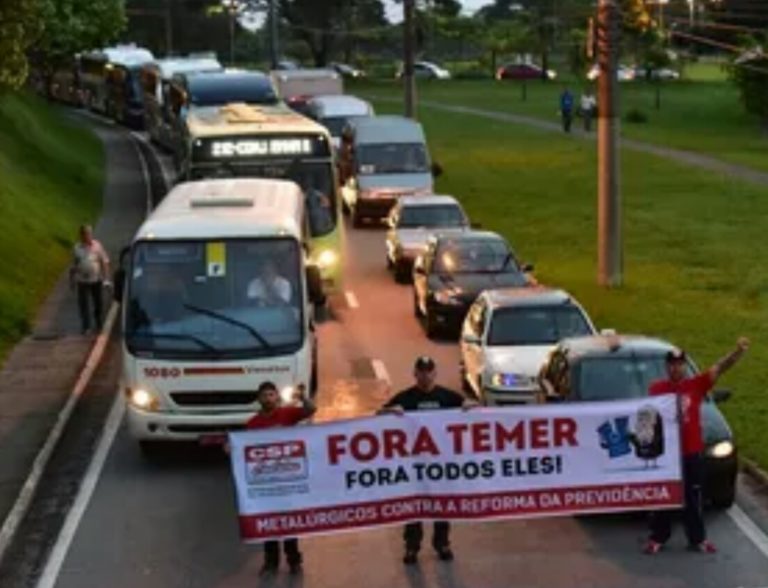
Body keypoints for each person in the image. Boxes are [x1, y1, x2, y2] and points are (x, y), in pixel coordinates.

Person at [644, 337, 750, 555]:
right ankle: (658, 537)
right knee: (665, 498)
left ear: (684, 366)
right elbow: (645, 418)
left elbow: (720, 368)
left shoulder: (696, 385)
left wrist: (737, 353)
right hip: (668, 456)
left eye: (680, 364)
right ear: (667, 367)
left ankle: (697, 539)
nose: (676, 368)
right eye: (672, 365)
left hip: (692, 453)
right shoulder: (656, 389)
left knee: (693, 498)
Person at [378, 356, 478, 565]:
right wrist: (390, 411)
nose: (425, 375)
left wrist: (470, 406)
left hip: (440, 464)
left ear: (435, 373)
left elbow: (470, 407)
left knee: (442, 504)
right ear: (415, 374)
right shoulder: (405, 398)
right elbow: (378, 415)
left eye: (429, 371)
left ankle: (442, 543)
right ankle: (412, 547)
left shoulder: (447, 397)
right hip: (414, 465)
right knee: (413, 505)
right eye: (421, 372)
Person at [246, 381, 316, 575]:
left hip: (287, 478)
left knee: (288, 522)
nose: (268, 398)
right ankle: (271, 562)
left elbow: (310, 410)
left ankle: (294, 560)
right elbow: (245, 449)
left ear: (277, 397)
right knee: (268, 523)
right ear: (259, 399)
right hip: (266, 482)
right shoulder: (252, 423)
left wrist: (302, 397)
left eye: (271, 394)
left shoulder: (287, 414)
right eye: (264, 395)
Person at [69, 224, 110, 334]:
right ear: (81, 235)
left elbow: (104, 261)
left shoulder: (97, 246)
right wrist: (72, 280)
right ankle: (86, 326)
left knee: (98, 303)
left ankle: (99, 323)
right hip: (82, 281)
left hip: (96, 279)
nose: (89, 236)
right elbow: (74, 265)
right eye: (86, 233)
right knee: (83, 304)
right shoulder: (77, 248)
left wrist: (106, 279)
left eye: (90, 233)